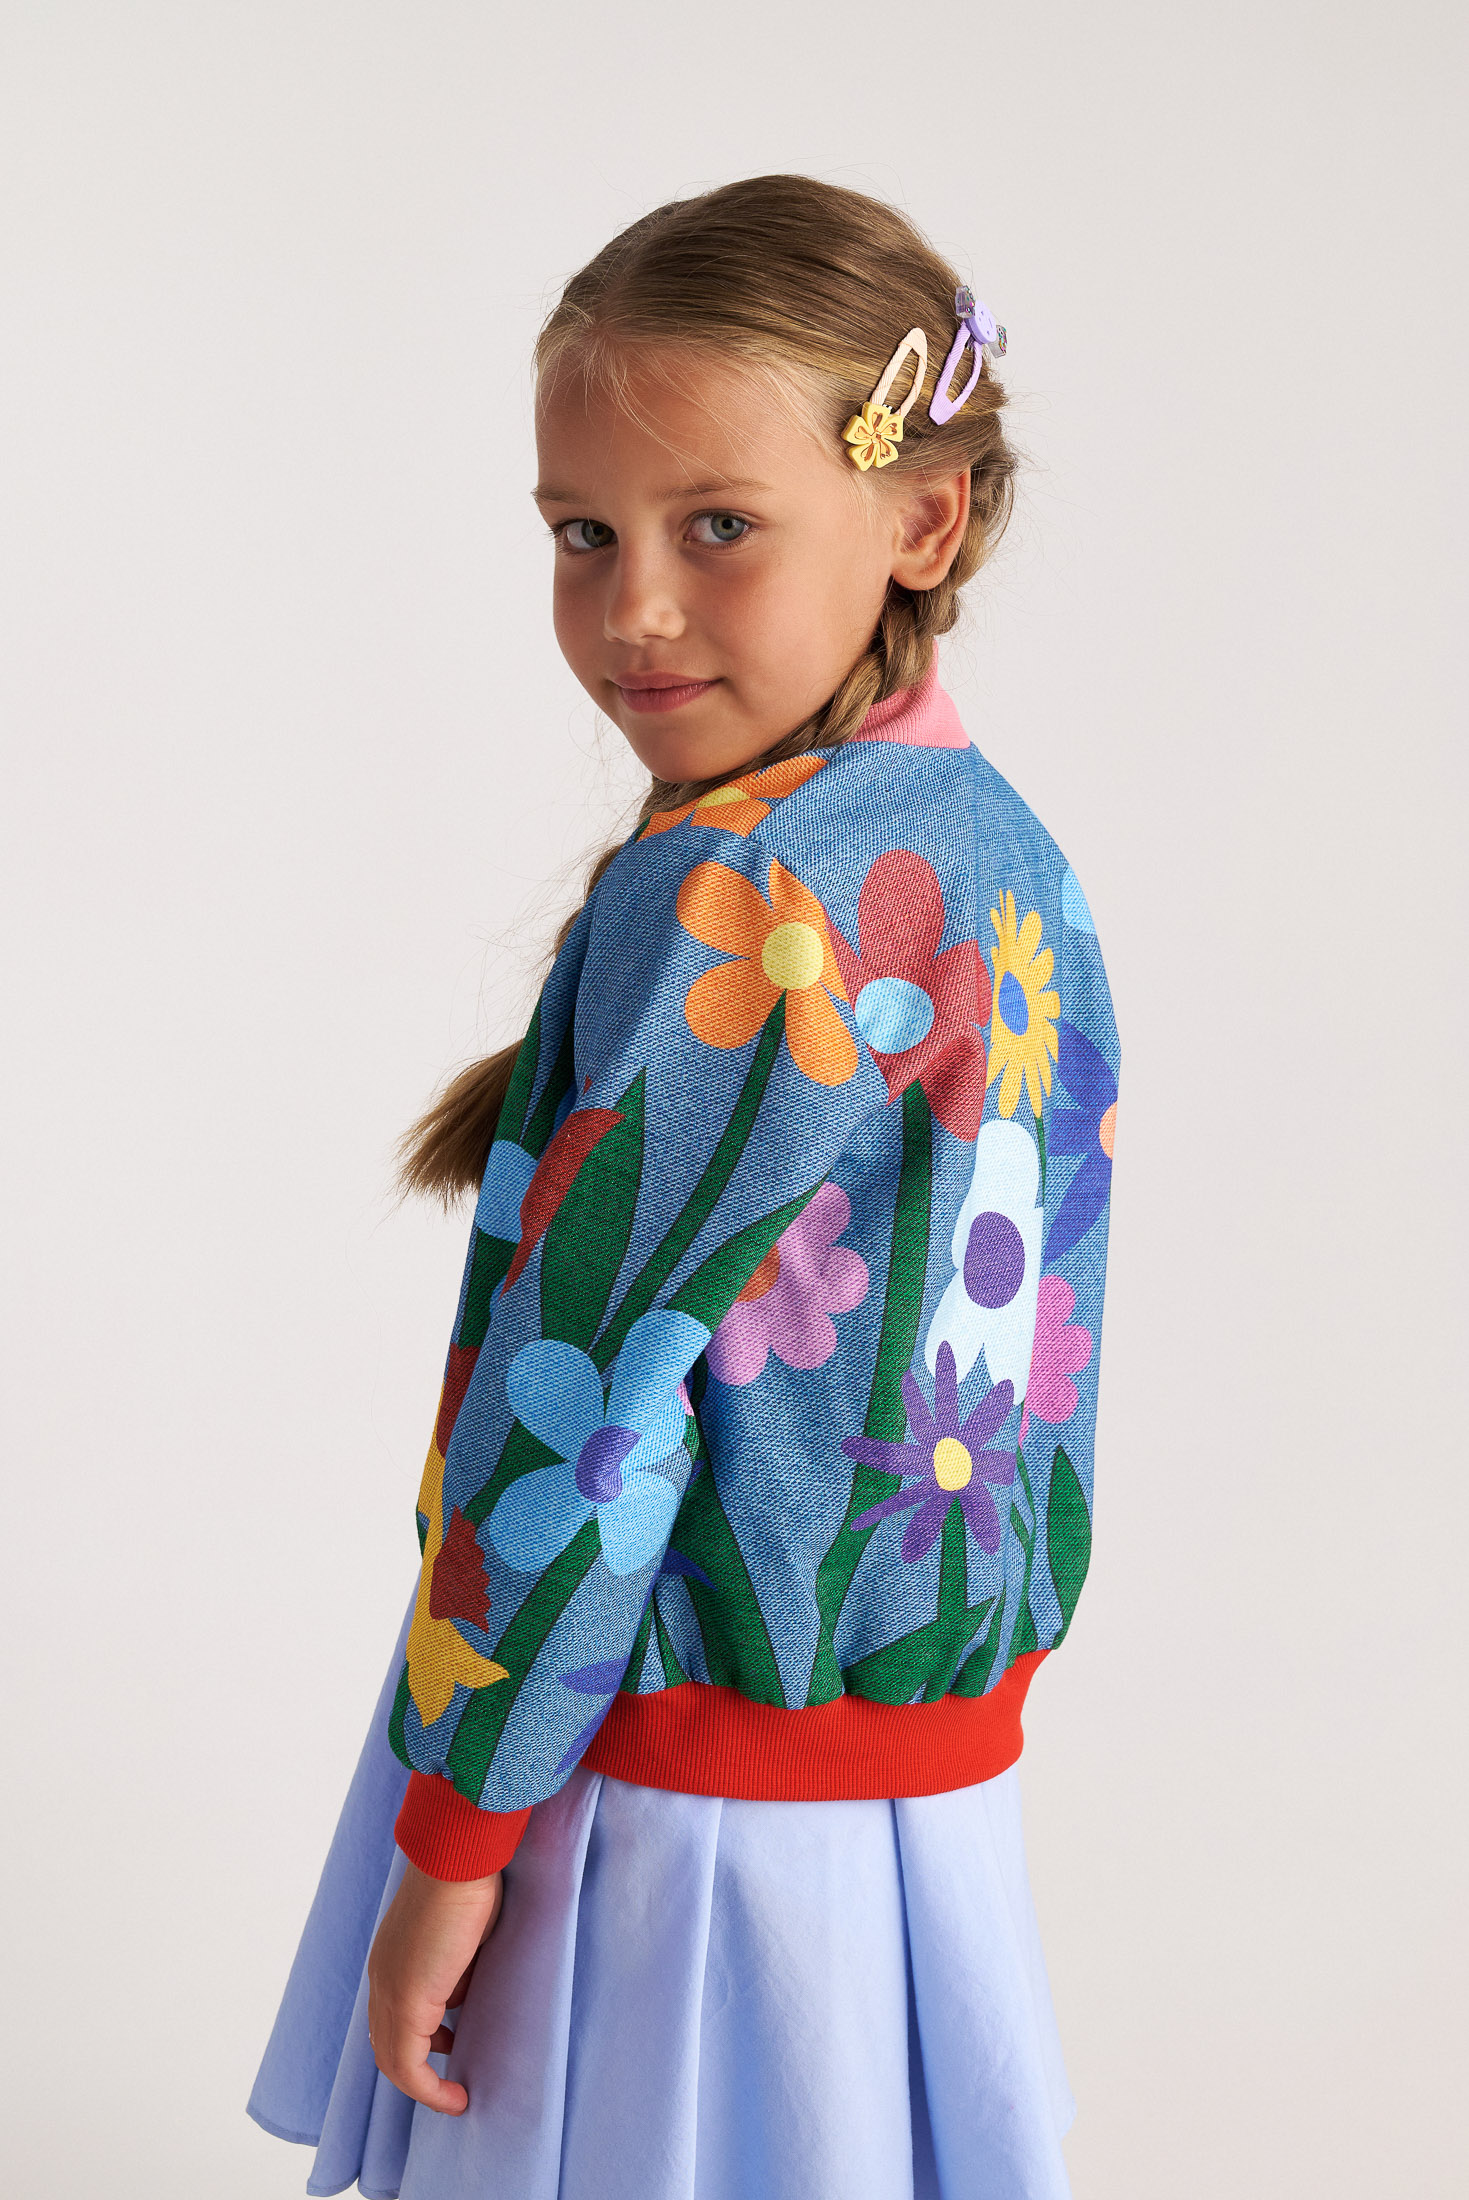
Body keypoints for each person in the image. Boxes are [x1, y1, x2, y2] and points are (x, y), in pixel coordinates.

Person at [249, 173, 1119, 2200]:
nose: (632, 605)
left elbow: (595, 1407)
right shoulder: (998, 847)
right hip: (904, 1789)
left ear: (923, 517)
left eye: (715, 524)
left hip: (652, 1785)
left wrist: (457, 1832)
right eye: (582, 533)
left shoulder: (746, 888)